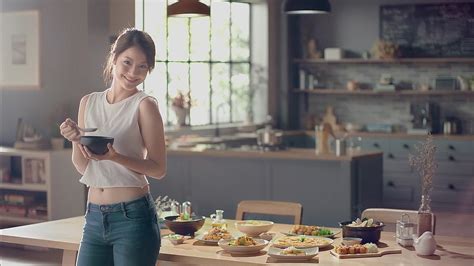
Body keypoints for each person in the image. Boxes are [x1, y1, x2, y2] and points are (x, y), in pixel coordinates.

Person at [59, 28, 166, 266]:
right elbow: (83, 167)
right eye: (127, 62)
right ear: (114, 58)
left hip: (133, 218)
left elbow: (158, 169)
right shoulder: (88, 102)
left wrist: (116, 157)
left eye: (142, 66)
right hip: (94, 216)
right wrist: (76, 139)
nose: (133, 72)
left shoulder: (145, 105)